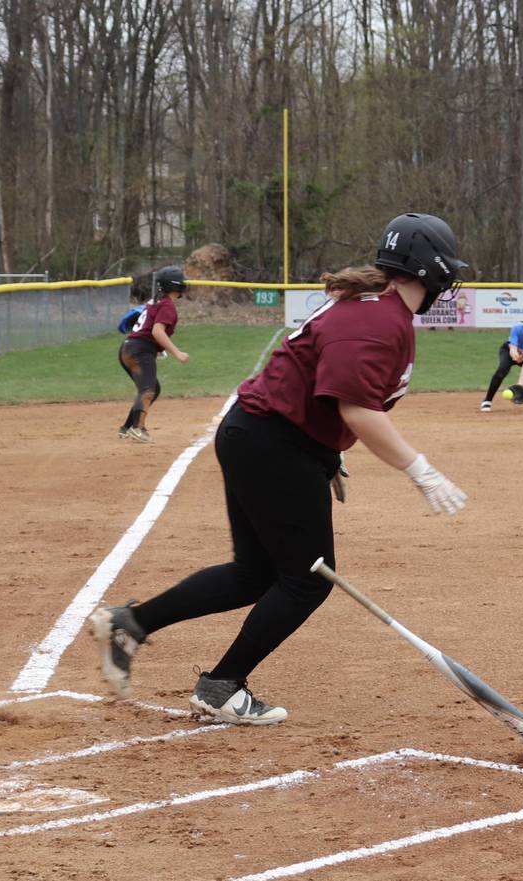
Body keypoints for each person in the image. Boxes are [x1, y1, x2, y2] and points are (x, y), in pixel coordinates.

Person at [91, 212, 468, 725]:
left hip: (267, 437)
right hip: (273, 443)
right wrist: (419, 468)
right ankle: (221, 686)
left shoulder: (375, 309)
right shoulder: (377, 319)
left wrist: (329, 453)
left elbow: (318, 386)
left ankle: (129, 623)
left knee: (255, 574)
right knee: (307, 580)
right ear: (431, 268)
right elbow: (357, 408)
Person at [117, 265, 190, 442]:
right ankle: (137, 428)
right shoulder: (167, 306)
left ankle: (127, 427)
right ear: (176, 286)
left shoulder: (155, 302)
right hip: (139, 350)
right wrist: (177, 352)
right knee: (148, 390)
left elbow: (146, 327)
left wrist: (156, 348)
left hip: (129, 348)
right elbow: (157, 331)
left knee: (151, 389)